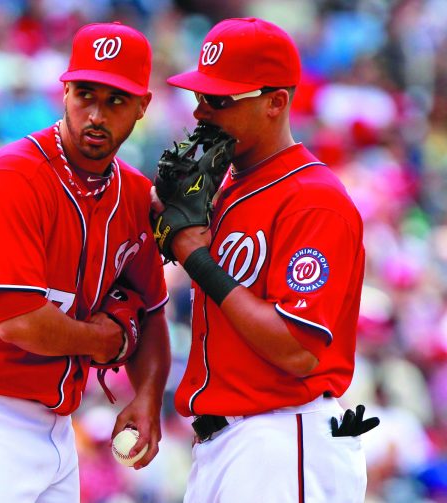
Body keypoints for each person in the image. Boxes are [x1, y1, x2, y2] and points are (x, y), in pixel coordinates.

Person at [0, 21, 171, 502]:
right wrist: (105, 340)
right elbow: (20, 322)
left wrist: (147, 396)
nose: (96, 115)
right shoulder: (14, 175)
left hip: (56, 423)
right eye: (85, 94)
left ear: (142, 106)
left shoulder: (134, 194)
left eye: (115, 101)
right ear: (64, 91)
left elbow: (150, 312)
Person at [151, 17, 376, 502]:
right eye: (200, 95)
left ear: (275, 102)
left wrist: (196, 258)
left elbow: (297, 349)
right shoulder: (227, 188)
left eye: (220, 99)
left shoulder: (314, 199)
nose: (201, 110)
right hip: (225, 444)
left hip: (282, 439)